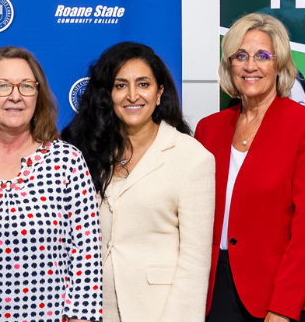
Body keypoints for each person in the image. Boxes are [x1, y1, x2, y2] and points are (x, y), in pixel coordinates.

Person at [195, 12, 305, 322]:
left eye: (263, 56)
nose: (250, 66)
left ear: (280, 64)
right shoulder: (209, 129)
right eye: (240, 56)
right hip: (216, 291)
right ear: (229, 63)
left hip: (283, 296)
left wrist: (283, 308)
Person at [62, 42, 214, 322]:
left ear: (159, 93)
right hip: (91, 310)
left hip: (157, 311)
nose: (132, 95)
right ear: (108, 94)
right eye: (121, 85)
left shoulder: (192, 158)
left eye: (143, 84)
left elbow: (195, 262)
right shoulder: (85, 153)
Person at [0, 46, 101, 322]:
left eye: (27, 86)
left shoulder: (66, 161)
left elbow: (86, 255)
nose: (15, 96)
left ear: (38, 95)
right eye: (3, 86)